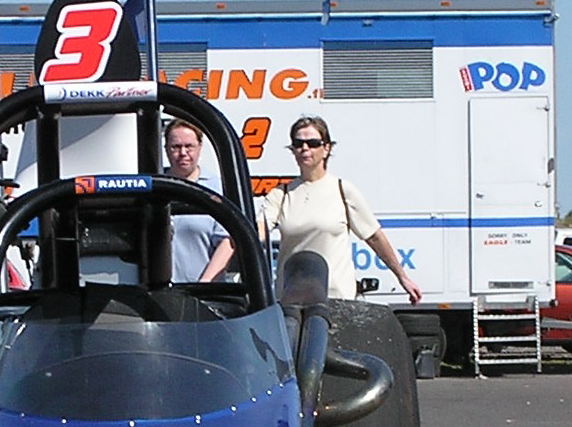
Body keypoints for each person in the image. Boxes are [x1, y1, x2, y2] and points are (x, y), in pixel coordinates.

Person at [203, 114, 421, 302]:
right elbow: (254, 232)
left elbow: (374, 237)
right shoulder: (282, 193)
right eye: (298, 144)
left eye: (313, 143)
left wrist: (402, 277)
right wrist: (235, 242)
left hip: (336, 299)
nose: (305, 148)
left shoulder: (342, 190)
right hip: (291, 300)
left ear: (326, 149)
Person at [163, 119, 226, 283]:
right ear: (166, 150)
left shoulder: (216, 188)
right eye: (176, 147)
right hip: (156, 295)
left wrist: (204, 284)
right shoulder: (152, 184)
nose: (183, 152)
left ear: (199, 147)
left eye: (189, 146)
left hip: (203, 295)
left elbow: (227, 243)